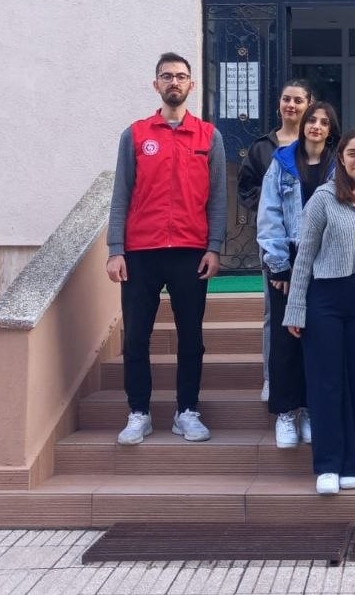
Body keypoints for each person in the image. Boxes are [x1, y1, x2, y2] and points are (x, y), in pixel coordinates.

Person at [107, 52, 227, 445]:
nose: (174, 82)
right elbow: (121, 194)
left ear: (192, 84)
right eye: (167, 76)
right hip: (140, 252)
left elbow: (218, 198)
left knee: (191, 337)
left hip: (191, 252)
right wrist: (115, 249)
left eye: (181, 76)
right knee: (135, 337)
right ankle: (138, 412)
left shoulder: (209, 136)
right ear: (156, 84)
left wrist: (214, 247)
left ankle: (186, 411)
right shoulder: (135, 135)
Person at [283, 129, 355, 494]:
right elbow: (304, 256)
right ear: (341, 159)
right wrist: (295, 308)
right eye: (352, 153)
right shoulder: (323, 198)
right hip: (325, 299)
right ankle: (328, 464)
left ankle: (353, 463)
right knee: (326, 382)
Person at [256, 101, 340, 449]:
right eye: (312, 120)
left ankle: (309, 409)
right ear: (303, 125)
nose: (316, 126)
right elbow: (269, 214)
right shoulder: (282, 163)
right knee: (285, 340)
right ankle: (286, 412)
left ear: (330, 129)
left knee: (317, 339)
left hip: (328, 260)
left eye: (324, 122)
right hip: (288, 259)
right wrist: (278, 265)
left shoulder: (339, 164)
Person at [237, 79, 313, 404]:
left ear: (309, 105)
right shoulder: (262, 147)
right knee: (275, 310)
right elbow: (246, 187)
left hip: (312, 243)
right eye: (286, 99)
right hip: (275, 242)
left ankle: (307, 381)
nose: (291, 105)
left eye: (298, 100)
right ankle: (272, 376)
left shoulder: (319, 142)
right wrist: (275, 204)